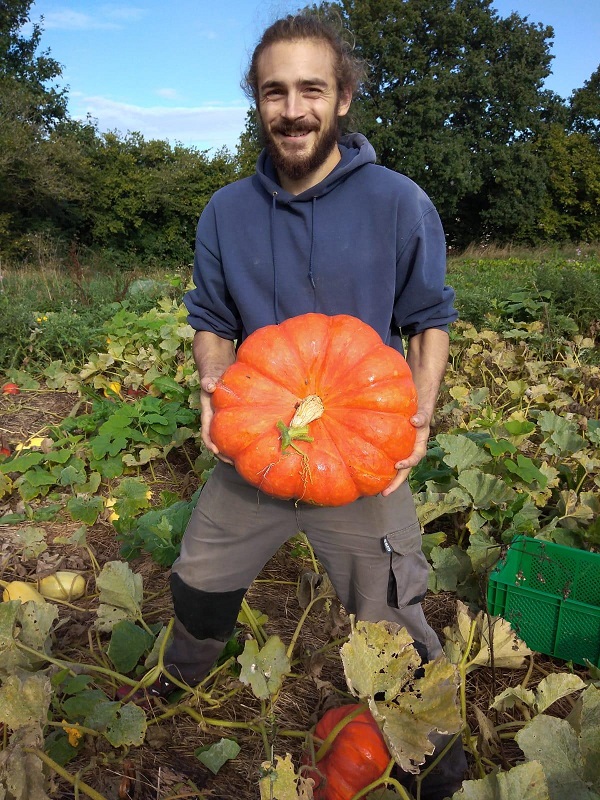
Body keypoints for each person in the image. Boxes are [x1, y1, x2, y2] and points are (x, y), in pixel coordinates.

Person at [149, 13, 465, 798]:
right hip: (257, 444)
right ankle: (178, 684)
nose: (293, 109)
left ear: (344, 98)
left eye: (310, 90)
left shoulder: (398, 202)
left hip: (360, 456)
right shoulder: (226, 210)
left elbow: (429, 320)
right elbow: (214, 324)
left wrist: (419, 419)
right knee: (198, 580)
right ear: (257, 102)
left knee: (391, 608)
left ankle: (436, 762)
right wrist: (211, 392)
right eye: (274, 92)